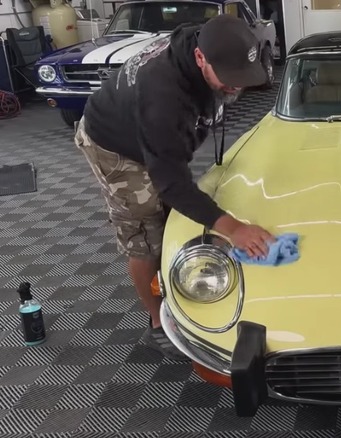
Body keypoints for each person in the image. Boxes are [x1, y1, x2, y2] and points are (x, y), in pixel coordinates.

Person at [74, 14, 276, 360]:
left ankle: (175, 278)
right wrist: (235, 229)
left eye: (243, 79)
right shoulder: (164, 96)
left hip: (155, 132)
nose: (235, 87)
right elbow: (170, 183)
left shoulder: (209, 43)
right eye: (229, 80)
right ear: (200, 58)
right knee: (145, 230)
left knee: (175, 216)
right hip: (114, 146)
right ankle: (156, 319)